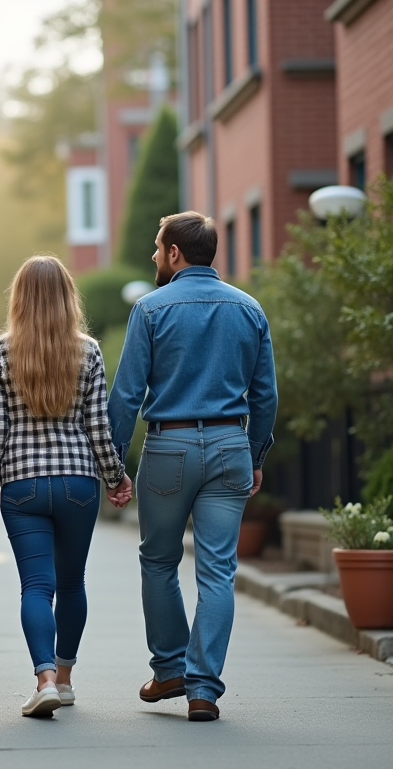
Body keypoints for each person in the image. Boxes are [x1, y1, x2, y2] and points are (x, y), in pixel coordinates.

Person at [107, 211, 277, 722]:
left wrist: (113, 463)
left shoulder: (150, 309)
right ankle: (203, 689)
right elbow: (265, 394)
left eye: (159, 249)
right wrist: (257, 455)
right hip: (230, 446)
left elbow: (127, 395)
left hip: (169, 450)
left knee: (159, 562)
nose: (155, 258)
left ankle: (170, 670)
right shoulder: (250, 309)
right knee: (218, 572)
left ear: (176, 253)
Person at [0, 256, 133, 718]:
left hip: (22, 485)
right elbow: (97, 427)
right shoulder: (87, 351)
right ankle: (65, 680)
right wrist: (116, 476)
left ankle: (44, 677)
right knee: (71, 583)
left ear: (19, 298)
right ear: (70, 298)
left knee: (35, 585)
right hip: (78, 484)